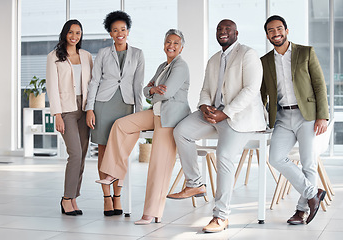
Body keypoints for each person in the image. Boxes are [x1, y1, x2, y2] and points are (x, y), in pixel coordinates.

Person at [166, 19, 266, 233]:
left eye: (227, 29)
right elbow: (205, 89)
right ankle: (195, 184)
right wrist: (203, 106)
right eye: (219, 29)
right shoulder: (213, 60)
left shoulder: (248, 54)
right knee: (182, 132)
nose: (223, 32)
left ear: (236, 33)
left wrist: (225, 113)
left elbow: (251, 89)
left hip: (239, 118)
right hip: (213, 114)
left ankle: (221, 216)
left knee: (224, 155)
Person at [96, 29, 190, 224]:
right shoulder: (163, 66)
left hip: (170, 117)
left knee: (158, 165)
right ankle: (114, 173)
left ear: (181, 48)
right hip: (155, 112)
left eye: (175, 43)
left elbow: (166, 93)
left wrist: (153, 91)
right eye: (168, 41)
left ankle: (151, 213)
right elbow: (146, 90)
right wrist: (152, 90)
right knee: (122, 125)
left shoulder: (181, 66)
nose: (170, 45)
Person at [261, 15, 329, 225]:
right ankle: (313, 193)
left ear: (287, 30)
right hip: (282, 116)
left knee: (308, 163)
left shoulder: (305, 52)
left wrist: (322, 115)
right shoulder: (265, 61)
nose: (276, 33)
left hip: (307, 115)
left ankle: (301, 211)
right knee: (275, 158)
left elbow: (319, 84)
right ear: (267, 35)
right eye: (271, 30)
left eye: (279, 29)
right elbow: (262, 94)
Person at [85, 11, 144, 217]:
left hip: (126, 105)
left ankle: (118, 196)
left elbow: (138, 86)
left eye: (123, 29)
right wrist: (89, 108)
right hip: (104, 103)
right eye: (115, 30)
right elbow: (94, 81)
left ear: (128, 31)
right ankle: (106, 198)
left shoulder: (138, 54)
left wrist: (139, 113)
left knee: (121, 153)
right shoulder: (102, 53)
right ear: (110, 33)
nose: (120, 33)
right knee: (103, 151)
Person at [46, 19, 93, 216]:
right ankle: (66, 198)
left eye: (78, 33)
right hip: (66, 110)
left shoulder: (87, 55)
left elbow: (93, 83)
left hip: (84, 108)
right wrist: (57, 114)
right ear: (65, 33)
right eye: (71, 32)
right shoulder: (54, 56)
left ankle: (74, 197)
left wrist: (91, 108)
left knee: (82, 155)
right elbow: (52, 87)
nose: (75, 36)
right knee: (74, 154)